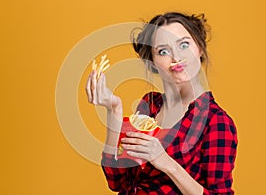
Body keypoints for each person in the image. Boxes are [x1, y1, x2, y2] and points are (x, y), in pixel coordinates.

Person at [85, 12, 238, 195]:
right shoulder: (149, 105)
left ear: (200, 49)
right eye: (163, 51)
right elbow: (117, 182)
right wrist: (114, 111)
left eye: (184, 45)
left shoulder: (216, 122)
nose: (176, 57)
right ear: (153, 62)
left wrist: (165, 162)